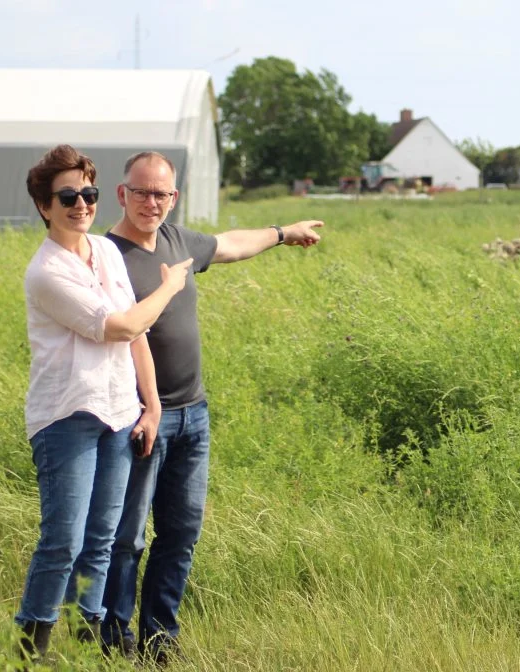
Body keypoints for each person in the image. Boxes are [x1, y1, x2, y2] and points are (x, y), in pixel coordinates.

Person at [99, 151, 322, 663]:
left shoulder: (178, 242)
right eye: (141, 192)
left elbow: (232, 245)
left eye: (162, 194)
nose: (151, 202)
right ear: (121, 193)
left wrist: (283, 232)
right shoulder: (106, 256)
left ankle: (161, 642)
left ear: (173, 198)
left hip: (193, 418)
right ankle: (114, 642)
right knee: (126, 538)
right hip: (138, 419)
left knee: (180, 533)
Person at [15, 145, 193, 663]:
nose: (81, 204)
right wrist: (170, 286)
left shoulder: (107, 252)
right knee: (62, 543)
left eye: (88, 194)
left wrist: (152, 406)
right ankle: (31, 649)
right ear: (44, 206)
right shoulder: (47, 272)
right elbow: (124, 324)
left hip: (118, 413)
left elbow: (135, 338)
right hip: (68, 418)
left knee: (102, 540)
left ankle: (86, 640)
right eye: (67, 196)